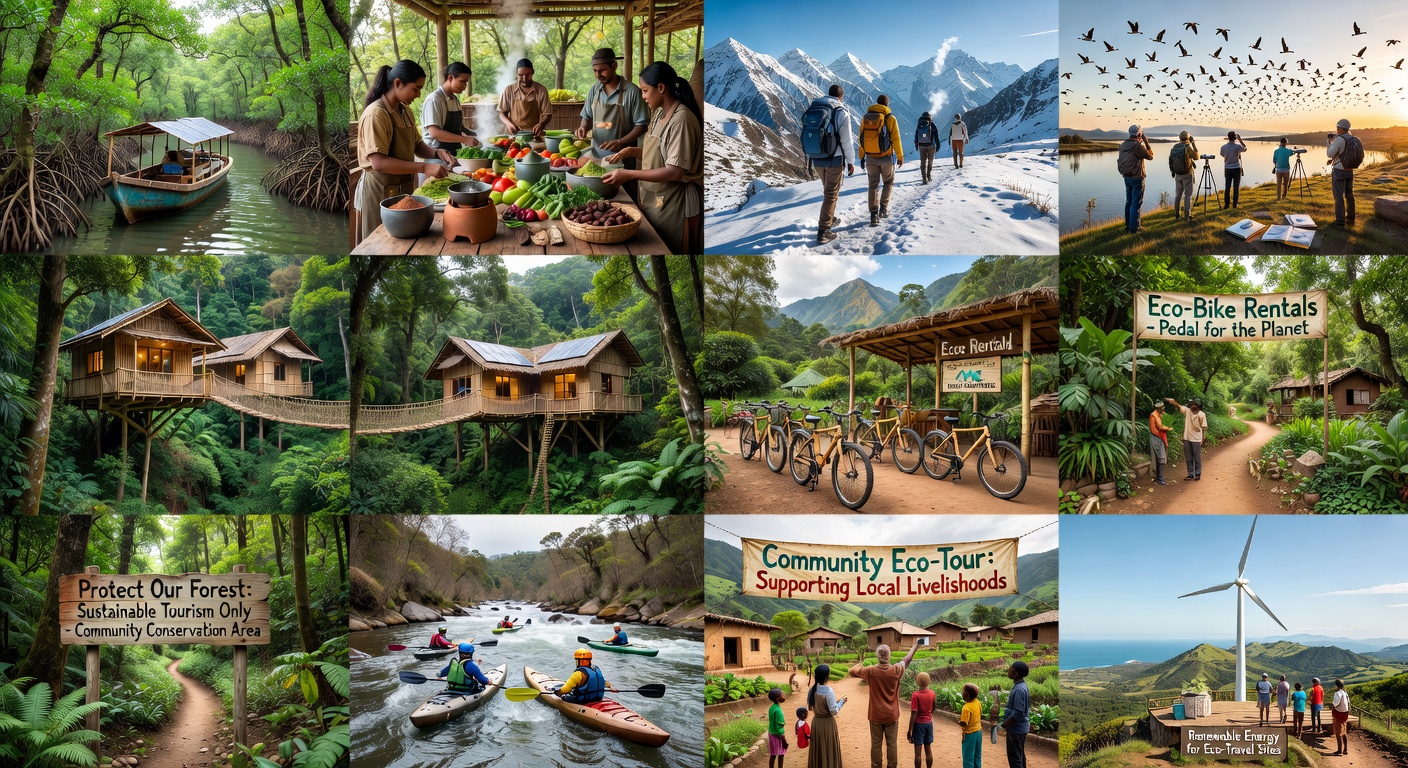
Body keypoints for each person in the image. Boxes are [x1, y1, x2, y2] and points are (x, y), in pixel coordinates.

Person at [600, 61, 703, 254]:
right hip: (656, 201)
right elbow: (659, 155)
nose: (643, 96)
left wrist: (629, 174)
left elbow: (674, 171)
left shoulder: (682, 120)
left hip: (675, 204)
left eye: (645, 91)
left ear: (661, 88)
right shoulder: (658, 114)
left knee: (671, 249)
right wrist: (630, 151)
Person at [356, 60, 454, 239]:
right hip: (380, 189)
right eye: (415, 88)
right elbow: (378, 163)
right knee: (380, 241)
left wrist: (435, 152)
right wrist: (424, 168)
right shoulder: (376, 114)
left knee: (405, 238)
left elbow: (417, 145)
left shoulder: (405, 111)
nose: (418, 95)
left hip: (404, 187)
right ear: (397, 84)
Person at [576, 47, 649, 188]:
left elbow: (641, 125)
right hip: (596, 157)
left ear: (614, 66)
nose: (598, 75)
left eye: (602, 70)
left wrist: (620, 142)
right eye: (595, 71)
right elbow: (587, 116)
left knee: (625, 196)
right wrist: (583, 127)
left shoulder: (632, 92)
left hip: (623, 159)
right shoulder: (594, 90)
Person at [850, 642, 920, 768]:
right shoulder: (897, 670)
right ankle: (892, 766)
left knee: (876, 744)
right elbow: (907, 659)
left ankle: (876, 765)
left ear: (878, 656)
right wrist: (914, 646)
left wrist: (860, 663)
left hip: (875, 714)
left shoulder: (871, 671)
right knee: (892, 743)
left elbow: (851, 672)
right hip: (891, 715)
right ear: (889, 656)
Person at [802, 84, 855, 243]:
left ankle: (829, 218)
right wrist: (851, 161)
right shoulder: (841, 112)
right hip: (834, 158)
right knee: (831, 195)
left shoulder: (815, 107)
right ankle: (824, 230)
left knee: (828, 192)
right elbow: (847, 141)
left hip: (817, 158)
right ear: (841, 96)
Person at [858, 95, 904, 227]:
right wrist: (900, 156)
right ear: (887, 105)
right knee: (888, 182)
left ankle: (873, 214)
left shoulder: (866, 118)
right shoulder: (890, 118)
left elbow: (861, 139)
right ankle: (883, 208)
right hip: (886, 158)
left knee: (873, 186)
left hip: (870, 158)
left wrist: (862, 155)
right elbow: (896, 138)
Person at [422, 62, 480, 158]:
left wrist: (476, 134)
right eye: (462, 81)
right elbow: (434, 132)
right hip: (436, 155)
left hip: (453, 153)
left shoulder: (455, 100)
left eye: (466, 82)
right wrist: (465, 139)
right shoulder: (434, 99)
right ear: (450, 78)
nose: (465, 86)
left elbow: (457, 127)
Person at [497, 58, 552, 139]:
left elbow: (547, 114)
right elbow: (502, 112)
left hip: (534, 134)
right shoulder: (509, 90)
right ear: (516, 74)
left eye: (528, 74)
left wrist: (541, 124)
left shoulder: (541, 90)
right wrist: (508, 124)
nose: (524, 78)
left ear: (533, 72)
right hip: (514, 133)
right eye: (521, 75)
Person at [806, 664, 846, 768]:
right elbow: (834, 711)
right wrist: (841, 702)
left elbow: (811, 707)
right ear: (827, 676)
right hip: (827, 724)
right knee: (828, 747)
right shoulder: (829, 691)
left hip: (816, 723)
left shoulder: (812, 690)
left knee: (818, 748)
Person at [1117, 125, 1154, 233]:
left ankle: (1128, 227)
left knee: (1129, 202)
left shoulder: (1123, 145)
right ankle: (1134, 229)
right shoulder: (1137, 146)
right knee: (1136, 203)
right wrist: (1146, 142)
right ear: (1139, 134)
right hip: (1137, 177)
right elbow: (1150, 156)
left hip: (1127, 177)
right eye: (1141, 133)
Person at [1164, 398, 1207, 481]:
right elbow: (1180, 406)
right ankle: (1190, 474)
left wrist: (1202, 437)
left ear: (1198, 406)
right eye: (1191, 405)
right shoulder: (1188, 411)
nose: (1193, 406)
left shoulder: (1202, 414)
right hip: (1187, 437)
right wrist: (1174, 402)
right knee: (1188, 457)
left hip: (1196, 438)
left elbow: (1203, 427)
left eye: (1194, 405)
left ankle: (1197, 474)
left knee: (1197, 457)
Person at [1327, 119, 1360, 226]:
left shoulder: (1339, 139)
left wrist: (1329, 143)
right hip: (1349, 169)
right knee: (1349, 194)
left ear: (1340, 128)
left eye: (1337, 127)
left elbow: (1330, 154)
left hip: (1339, 170)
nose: (1336, 129)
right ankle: (1351, 218)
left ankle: (1340, 220)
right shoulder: (1353, 138)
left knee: (1338, 195)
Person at [1001, 662, 1030, 768]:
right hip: (1020, 729)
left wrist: (1003, 725)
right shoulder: (1021, 686)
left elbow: (1018, 713)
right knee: (1020, 756)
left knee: (1015, 760)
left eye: (1010, 668)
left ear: (1015, 673)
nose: (1008, 670)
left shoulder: (1019, 689)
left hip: (1016, 730)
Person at [908, 671, 936, 768]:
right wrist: (928, 715)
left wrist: (910, 729)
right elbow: (934, 708)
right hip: (929, 723)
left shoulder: (915, 695)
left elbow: (914, 713)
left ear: (917, 682)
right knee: (928, 749)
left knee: (918, 753)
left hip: (918, 724)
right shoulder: (932, 693)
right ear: (929, 682)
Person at [1169, 132, 1196, 220]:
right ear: (1188, 138)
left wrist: (1172, 171)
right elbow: (1196, 157)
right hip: (1187, 173)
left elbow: (1170, 160)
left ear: (1180, 138)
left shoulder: (1175, 147)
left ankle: (1177, 215)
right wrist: (1193, 144)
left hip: (1177, 174)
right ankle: (1187, 216)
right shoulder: (1187, 147)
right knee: (1187, 195)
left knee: (1178, 195)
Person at [1220, 131, 1248, 208]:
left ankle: (1226, 204)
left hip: (1227, 168)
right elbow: (1245, 148)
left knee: (1227, 186)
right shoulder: (1238, 146)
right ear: (1235, 138)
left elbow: (1222, 154)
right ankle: (1235, 204)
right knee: (1236, 187)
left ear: (1228, 137)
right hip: (1236, 168)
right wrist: (1240, 140)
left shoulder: (1223, 147)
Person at [959, 683, 983, 768]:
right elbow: (980, 713)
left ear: (968, 695)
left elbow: (964, 724)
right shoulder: (977, 702)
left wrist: (960, 721)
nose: (962, 693)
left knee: (968, 758)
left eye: (963, 692)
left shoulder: (966, 708)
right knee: (977, 756)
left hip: (970, 734)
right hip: (978, 732)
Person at [915, 113, 942, 184]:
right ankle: (929, 176)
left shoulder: (919, 124)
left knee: (923, 162)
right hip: (930, 145)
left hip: (921, 145)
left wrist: (916, 145)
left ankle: (924, 179)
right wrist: (938, 145)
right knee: (930, 161)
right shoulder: (931, 124)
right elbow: (936, 135)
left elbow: (916, 135)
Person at [1149, 402, 1170, 485]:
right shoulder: (1153, 415)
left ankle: (1159, 477)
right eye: (1162, 407)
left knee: (1161, 457)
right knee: (1161, 457)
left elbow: (1167, 421)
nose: (1164, 409)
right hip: (1156, 438)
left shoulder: (1160, 414)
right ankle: (1159, 478)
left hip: (1161, 437)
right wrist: (1164, 430)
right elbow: (1154, 430)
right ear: (1158, 408)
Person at [768, 687, 789, 768]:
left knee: (773, 754)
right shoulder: (778, 710)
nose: (784, 695)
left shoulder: (772, 707)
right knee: (781, 753)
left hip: (771, 732)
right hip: (778, 734)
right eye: (782, 694)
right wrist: (783, 738)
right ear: (777, 699)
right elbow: (780, 725)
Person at [1331, 679, 1350, 755]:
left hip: (1339, 713)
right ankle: (1345, 749)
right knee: (1344, 731)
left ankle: (1339, 750)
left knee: (1338, 733)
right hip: (1345, 714)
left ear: (1336, 685)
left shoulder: (1337, 693)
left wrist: (1332, 704)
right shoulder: (1345, 693)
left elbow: (1335, 703)